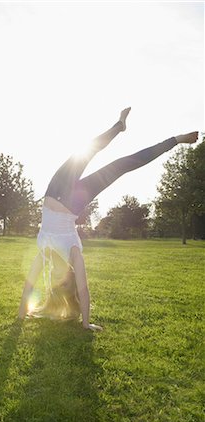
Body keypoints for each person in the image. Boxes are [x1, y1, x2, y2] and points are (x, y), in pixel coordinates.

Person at [18, 107, 198, 331]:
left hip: (52, 192)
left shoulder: (44, 254)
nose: (56, 274)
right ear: (68, 277)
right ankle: (175, 140)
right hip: (72, 202)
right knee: (120, 166)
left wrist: (20, 317)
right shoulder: (73, 252)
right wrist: (86, 323)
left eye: (55, 279)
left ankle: (118, 127)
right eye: (63, 279)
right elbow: (83, 290)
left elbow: (29, 284)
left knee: (85, 151)